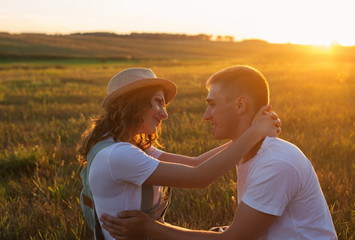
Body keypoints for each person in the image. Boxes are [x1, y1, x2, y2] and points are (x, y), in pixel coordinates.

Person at [100, 66, 337, 240]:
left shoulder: (276, 163)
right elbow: (197, 168)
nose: (205, 115)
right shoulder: (251, 150)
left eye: (212, 104)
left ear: (240, 105)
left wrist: (150, 229)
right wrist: (253, 132)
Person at [78, 67, 281, 239]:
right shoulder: (118, 155)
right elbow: (200, 177)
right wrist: (254, 132)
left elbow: (194, 163)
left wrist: (245, 135)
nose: (164, 114)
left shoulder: (122, 145)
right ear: (134, 102)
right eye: (158, 102)